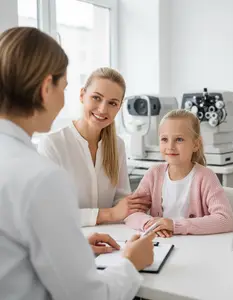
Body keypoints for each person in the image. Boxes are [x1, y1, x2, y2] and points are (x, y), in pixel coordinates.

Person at [0, 26, 155, 300]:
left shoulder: (14, 159)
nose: (103, 109)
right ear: (48, 87)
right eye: (65, 87)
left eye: (113, 103)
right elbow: (88, 296)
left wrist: (72, 246)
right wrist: (131, 262)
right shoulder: (41, 177)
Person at [38, 67, 150, 227]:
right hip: (69, 239)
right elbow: (48, 212)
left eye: (112, 103)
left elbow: (121, 199)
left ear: (119, 107)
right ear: (82, 95)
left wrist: (141, 212)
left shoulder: (117, 145)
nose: (103, 109)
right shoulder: (53, 144)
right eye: (97, 98)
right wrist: (109, 214)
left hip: (113, 238)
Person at [125, 109, 233, 237]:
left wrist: (174, 225)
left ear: (196, 144)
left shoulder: (206, 177)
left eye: (179, 139)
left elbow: (226, 220)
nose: (170, 146)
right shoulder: (153, 174)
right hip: (162, 245)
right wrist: (149, 223)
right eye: (164, 139)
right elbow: (131, 213)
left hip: (195, 247)